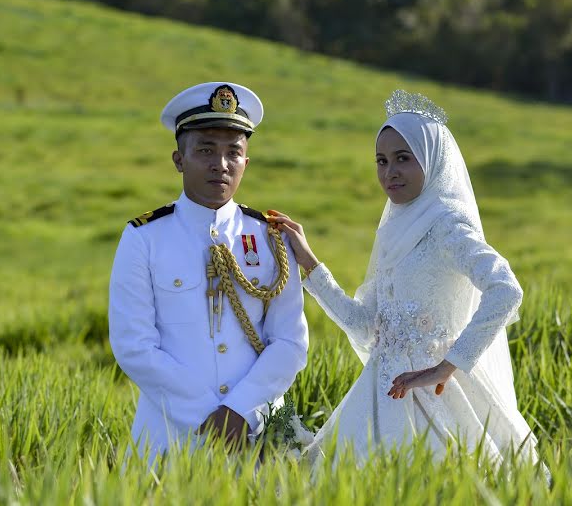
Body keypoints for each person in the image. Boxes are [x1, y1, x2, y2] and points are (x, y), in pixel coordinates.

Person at [268, 89, 540, 466]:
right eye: (381, 161)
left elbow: (505, 289)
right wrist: (310, 264)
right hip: (380, 392)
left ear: (431, 160)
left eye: (403, 159)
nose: (389, 172)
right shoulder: (395, 229)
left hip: (438, 392)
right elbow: (366, 326)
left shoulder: (448, 225)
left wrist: (448, 365)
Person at [109, 82, 309, 464]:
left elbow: (290, 342)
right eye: (205, 150)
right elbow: (133, 344)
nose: (221, 164)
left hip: (258, 431)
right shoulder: (144, 237)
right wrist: (211, 416)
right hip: (172, 435)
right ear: (178, 159)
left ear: (246, 163)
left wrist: (240, 411)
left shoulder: (269, 236)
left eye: (234, 152)